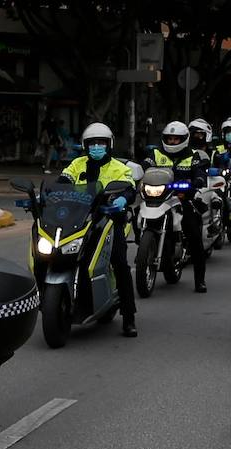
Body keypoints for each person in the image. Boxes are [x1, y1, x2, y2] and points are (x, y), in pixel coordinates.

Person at [59, 122, 139, 337]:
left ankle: (129, 317)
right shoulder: (76, 165)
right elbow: (62, 182)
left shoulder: (119, 168)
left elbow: (130, 188)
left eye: (100, 143)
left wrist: (123, 198)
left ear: (109, 145)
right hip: (79, 221)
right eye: (92, 143)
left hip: (109, 221)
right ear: (85, 146)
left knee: (120, 263)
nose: (96, 147)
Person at [144, 120, 210, 292]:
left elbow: (200, 172)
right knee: (136, 212)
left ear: (185, 139)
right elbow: (144, 166)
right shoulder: (156, 153)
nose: (172, 142)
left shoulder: (193, 156)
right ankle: (146, 244)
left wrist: (198, 180)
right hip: (158, 198)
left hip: (181, 199)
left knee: (194, 234)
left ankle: (200, 280)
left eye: (176, 139)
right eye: (169, 138)